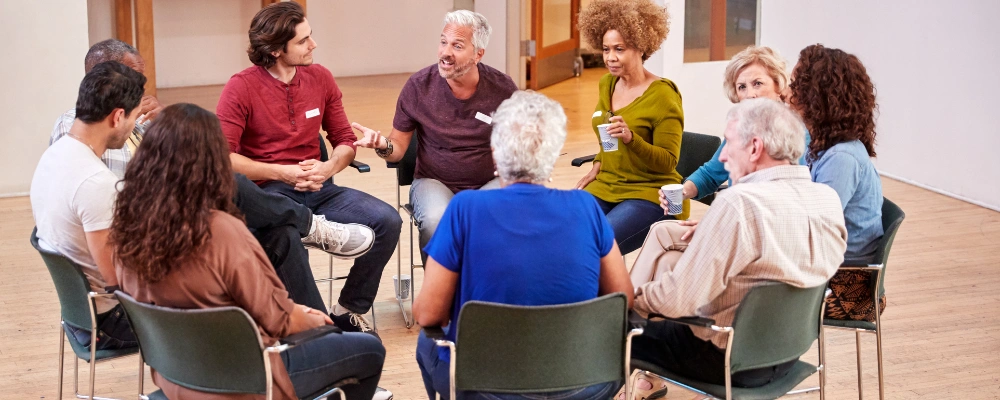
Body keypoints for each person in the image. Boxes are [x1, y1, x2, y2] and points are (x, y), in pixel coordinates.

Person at [50, 39, 369, 319]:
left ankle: (315, 339)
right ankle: (310, 232)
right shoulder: (79, 132)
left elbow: (191, 154)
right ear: (105, 80)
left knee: (281, 234)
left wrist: (167, 120)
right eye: (135, 82)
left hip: (168, 226)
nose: (143, 90)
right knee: (229, 182)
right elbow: (117, 205)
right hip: (148, 256)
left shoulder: (135, 118)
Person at [112, 103, 387, 400]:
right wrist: (314, 318)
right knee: (368, 348)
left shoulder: (127, 228)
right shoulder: (221, 231)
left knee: (281, 238)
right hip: (248, 379)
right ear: (212, 161)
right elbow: (279, 321)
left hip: (175, 377)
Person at [412, 91, 634, 400]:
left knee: (427, 342)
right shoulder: (585, 206)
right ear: (554, 155)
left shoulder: (465, 209)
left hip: (486, 389)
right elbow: (623, 299)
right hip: (583, 385)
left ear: (494, 152)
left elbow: (428, 314)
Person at [625, 98, 847, 397]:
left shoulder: (740, 203)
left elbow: (678, 302)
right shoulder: (827, 199)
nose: (724, 156)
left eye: (728, 144)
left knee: (611, 332)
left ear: (755, 147)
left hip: (727, 358)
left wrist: (629, 300)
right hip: (788, 352)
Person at [216, 1, 403, 333]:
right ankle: (318, 325)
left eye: (310, 36)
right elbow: (222, 157)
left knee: (387, 221)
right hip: (268, 194)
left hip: (320, 188)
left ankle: (347, 311)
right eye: (303, 41)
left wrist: (329, 168)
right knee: (285, 234)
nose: (313, 45)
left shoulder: (320, 78)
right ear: (275, 50)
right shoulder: (241, 87)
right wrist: (283, 172)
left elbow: (344, 139)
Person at [353, 10, 518, 254]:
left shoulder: (502, 88)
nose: (445, 53)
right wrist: (382, 145)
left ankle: (483, 288)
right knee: (435, 222)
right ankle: (440, 290)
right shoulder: (419, 86)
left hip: (489, 182)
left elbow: (519, 147)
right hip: (434, 182)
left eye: (457, 46)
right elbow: (397, 149)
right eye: (443, 42)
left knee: (490, 222)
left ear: (478, 54)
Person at [31, 61, 146, 351]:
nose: (134, 127)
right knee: (227, 318)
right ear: (118, 116)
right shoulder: (96, 182)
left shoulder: (53, 155)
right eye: (134, 118)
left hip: (79, 315)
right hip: (108, 322)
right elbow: (117, 278)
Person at [575, 0, 685, 254]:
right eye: (605, 49)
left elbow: (668, 161)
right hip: (607, 185)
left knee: (596, 246)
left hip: (649, 194)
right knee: (563, 231)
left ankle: (609, 294)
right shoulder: (607, 83)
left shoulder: (663, 96)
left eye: (619, 49)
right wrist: (598, 164)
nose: (610, 58)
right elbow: (607, 135)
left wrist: (631, 138)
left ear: (641, 46)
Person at [788, 44, 885, 321]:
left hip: (847, 285)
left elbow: (814, 225)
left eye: (795, 84)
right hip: (831, 267)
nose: (787, 92)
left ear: (815, 95)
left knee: (742, 285)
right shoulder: (823, 147)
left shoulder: (841, 157)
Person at [677, 46, 811, 206]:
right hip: (738, 215)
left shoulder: (799, 134)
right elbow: (710, 175)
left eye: (757, 84)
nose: (749, 95)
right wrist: (679, 193)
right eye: (742, 87)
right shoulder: (740, 130)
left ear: (778, 85)